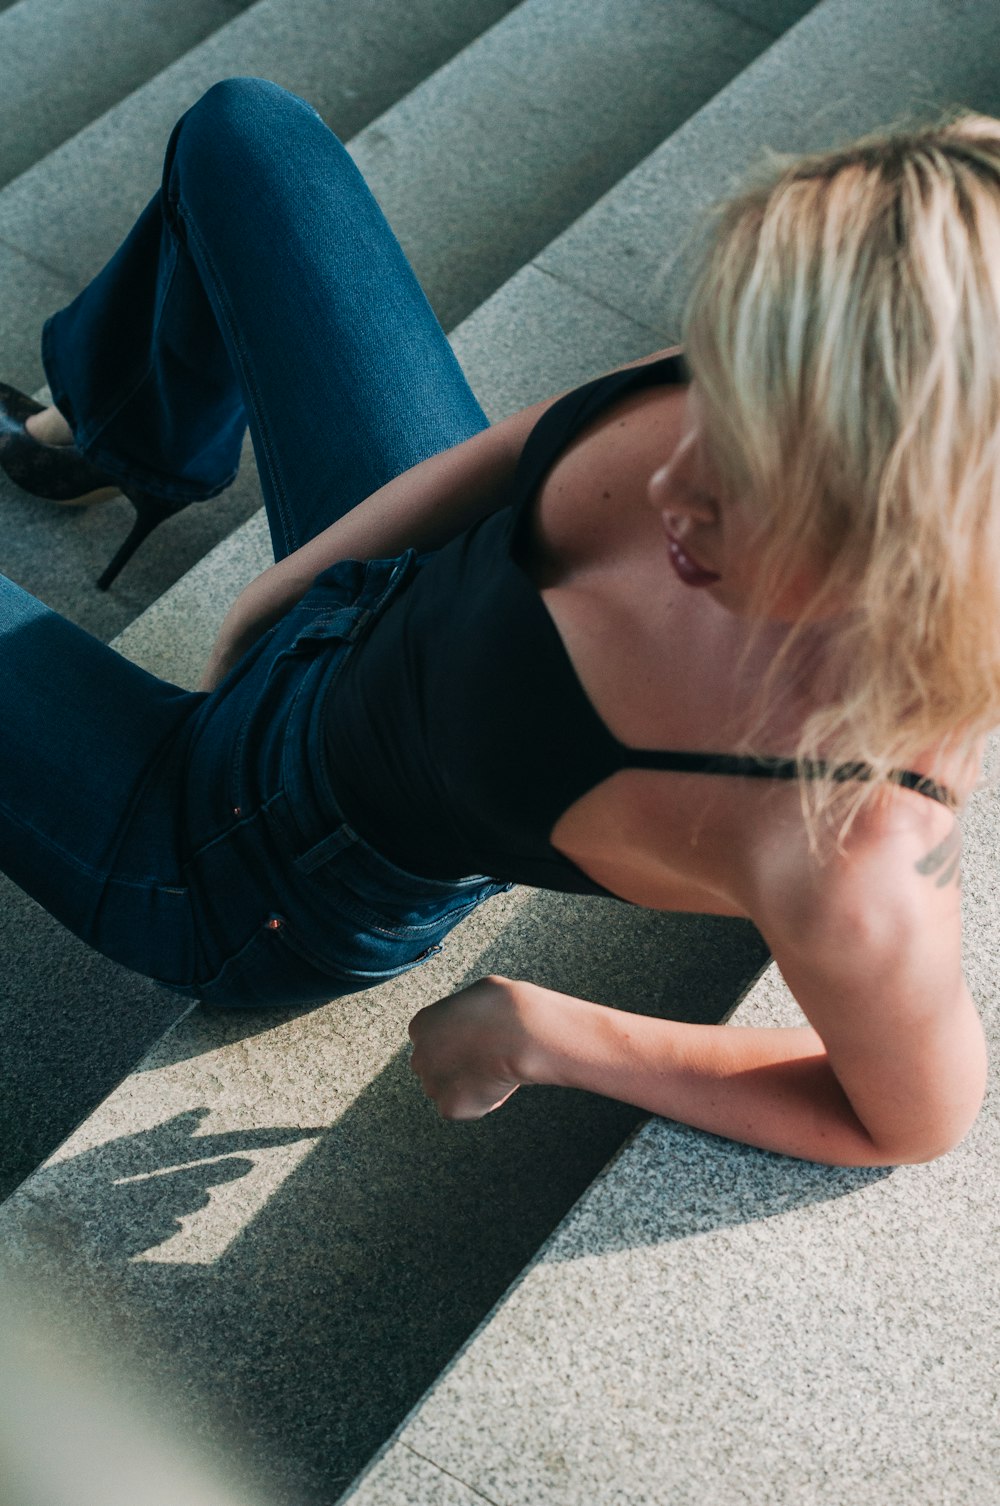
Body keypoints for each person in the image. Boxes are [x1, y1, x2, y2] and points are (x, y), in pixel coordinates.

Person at [0, 79, 992, 1170]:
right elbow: (517, 453)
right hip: (367, 600)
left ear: (917, 543)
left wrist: (555, 1037)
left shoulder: (848, 842)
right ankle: (122, 439)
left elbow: (910, 1121)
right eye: (719, 387)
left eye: (754, 479)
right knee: (243, 136)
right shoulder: (802, 360)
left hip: (243, 858)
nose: (673, 478)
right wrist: (273, 598)